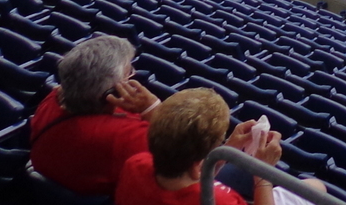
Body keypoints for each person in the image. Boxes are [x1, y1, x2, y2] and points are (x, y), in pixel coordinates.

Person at [30, 35, 161, 196]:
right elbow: (177, 151)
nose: (132, 76)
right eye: (129, 73)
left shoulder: (52, 99)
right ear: (109, 93)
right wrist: (153, 108)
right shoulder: (124, 137)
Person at [115, 87, 281, 205]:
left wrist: (229, 148)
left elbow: (193, 174)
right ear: (196, 165)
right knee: (308, 184)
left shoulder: (135, 164)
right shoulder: (221, 200)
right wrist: (263, 175)